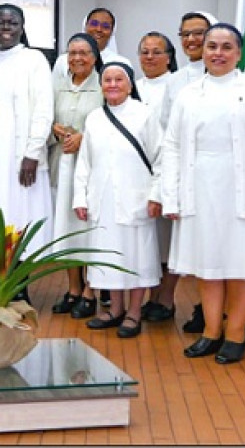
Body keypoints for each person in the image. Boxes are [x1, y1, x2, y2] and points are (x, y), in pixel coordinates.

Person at [162, 24, 245, 363]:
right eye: (211, 46)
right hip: (199, 188)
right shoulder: (189, 93)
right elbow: (171, 145)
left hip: (243, 189)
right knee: (208, 265)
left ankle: (235, 333)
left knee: (241, 264)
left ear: (239, 52)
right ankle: (211, 331)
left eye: (226, 47)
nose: (218, 53)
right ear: (202, 50)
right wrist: (170, 195)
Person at [73, 62, 163, 338]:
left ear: (130, 84)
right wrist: (81, 197)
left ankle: (134, 313)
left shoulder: (145, 115)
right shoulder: (94, 117)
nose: (112, 84)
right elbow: (84, 162)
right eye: (107, 80)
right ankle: (115, 309)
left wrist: (156, 195)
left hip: (136, 198)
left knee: (136, 256)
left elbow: (161, 158)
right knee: (106, 255)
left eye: (118, 80)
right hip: (103, 200)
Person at [0, 4, 54, 304]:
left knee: (20, 216)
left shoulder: (34, 60)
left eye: (12, 22)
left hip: (21, 157)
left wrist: (32, 152)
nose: (6, 27)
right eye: (0, 22)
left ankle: (19, 286)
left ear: (22, 26)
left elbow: (44, 109)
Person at [158, 10, 217, 333]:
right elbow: (168, 131)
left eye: (199, 33)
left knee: (218, 249)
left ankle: (219, 314)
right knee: (193, 249)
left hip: (220, 175)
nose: (192, 40)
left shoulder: (236, 77)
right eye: (186, 34)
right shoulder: (176, 81)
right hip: (187, 174)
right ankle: (201, 307)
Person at [48, 33, 104, 319]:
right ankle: (73, 288)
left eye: (84, 53)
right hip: (62, 165)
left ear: (95, 57)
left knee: (89, 229)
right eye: (72, 53)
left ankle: (90, 291)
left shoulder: (104, 86)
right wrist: (55, 130)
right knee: (69, 228)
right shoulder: (57, 87)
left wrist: (85, 137)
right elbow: (44, 121)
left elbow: (112, 124)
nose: (77, 58)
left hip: (93, 169)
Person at [134, 32, 179, 323]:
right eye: (144, 51)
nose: (149, 57)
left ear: (169, 56)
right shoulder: (131, 86)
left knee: (166, 238)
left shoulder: (176, 86)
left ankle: (165, 297)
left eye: (156, 52)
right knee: (143, 238)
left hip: (167, 169)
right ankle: (143, 295)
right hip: (136, 174)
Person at [51, 7, 131, 81]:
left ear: (112, 32)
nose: (99, 29)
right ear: (85, 26)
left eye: (105, 26)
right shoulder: (63, 60)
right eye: (94, 23)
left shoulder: (122, 63)